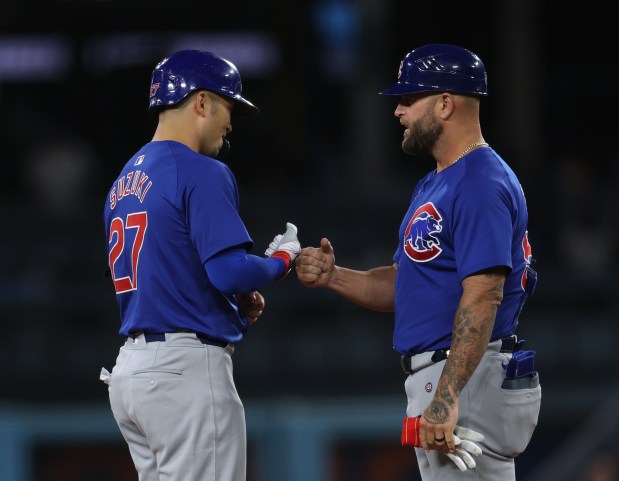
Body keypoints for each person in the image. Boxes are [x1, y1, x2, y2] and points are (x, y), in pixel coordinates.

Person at [295, 44, 541, 480]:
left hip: (466, 378)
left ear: (445, 104)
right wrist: (334, 277)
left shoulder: (481, 181)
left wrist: (446, 396)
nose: (399, 111)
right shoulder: (438, 182)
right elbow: (406, 285)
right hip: (453, 376)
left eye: (409, 99)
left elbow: (485, 295)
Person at [100, 49, 300, 481]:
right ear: (202, 102)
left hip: (132, 374)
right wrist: (282, 260)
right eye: (229, 106)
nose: (231, 123)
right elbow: (229, 272)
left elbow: (171, 273)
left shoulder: (122, 182)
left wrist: (228, 310)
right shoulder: (201, 170)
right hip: (182, 374)